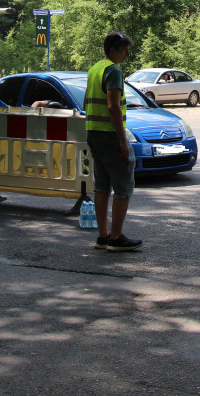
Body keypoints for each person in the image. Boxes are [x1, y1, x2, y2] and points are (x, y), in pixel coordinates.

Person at [85, 31, 142, 252]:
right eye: (124, 49)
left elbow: (88, 102)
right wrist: (123, 140)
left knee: (101, 185)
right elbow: (112, 106)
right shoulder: (113, 71)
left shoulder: (94, 69)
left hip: (93, 132)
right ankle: (116, 238)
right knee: (123, 185)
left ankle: (103, 236)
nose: (127, 53)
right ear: (112, 50)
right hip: (109, 134)